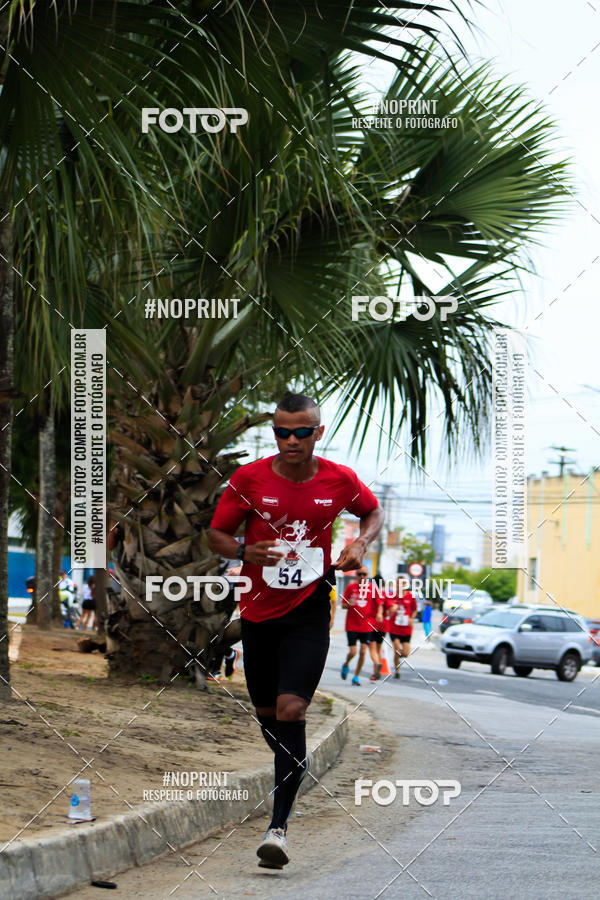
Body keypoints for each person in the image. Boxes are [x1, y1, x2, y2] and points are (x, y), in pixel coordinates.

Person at [207, 392, 383, 870]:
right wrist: (244, 550)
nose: (289, 440)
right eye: (281, 431)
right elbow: (217, 533)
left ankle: (278, 828)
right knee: (268, 712)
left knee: (292, 707)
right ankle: (294, 766)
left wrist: (360, 542)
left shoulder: (338, 479)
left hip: (309, 609)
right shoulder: (250, 479)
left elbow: (372, 511)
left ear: (317, 433)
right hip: (259, 614)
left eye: (300, 432)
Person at [340, 568, 374, 685]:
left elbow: (379, 604)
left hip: (366, 626)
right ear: (356, 575)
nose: (362, 576)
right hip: (352, 625)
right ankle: (346, 664)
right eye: (360, 574)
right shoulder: (351, 588)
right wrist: (348, 603)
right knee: (353, 652)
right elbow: (343, 605)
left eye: (364, 574)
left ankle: (356, 676)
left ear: (368, 575)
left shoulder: (372, 588)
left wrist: (380, 614)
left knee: (363, 651)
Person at [386, 574, 417, 678]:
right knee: (397, 650)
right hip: (394, 628)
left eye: (403, 583)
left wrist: (411, 618)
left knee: (406, 653)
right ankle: (397, 671)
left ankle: (397, 663)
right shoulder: (392, 596)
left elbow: (415, 610)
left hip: (406, 628)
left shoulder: (410, 596)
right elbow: (388, 610)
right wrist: (391, 610)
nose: (400, 585)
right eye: (398, 583)